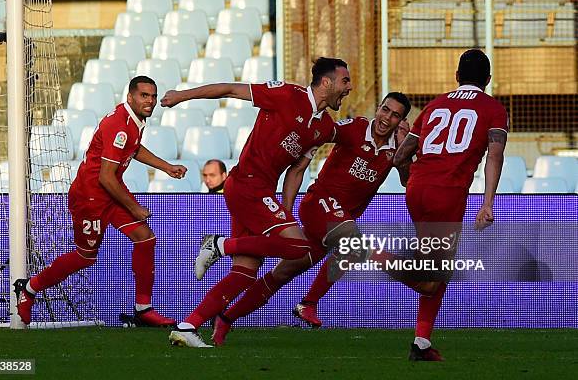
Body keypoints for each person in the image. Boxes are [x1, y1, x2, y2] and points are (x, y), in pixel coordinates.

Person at [160, 57, 352, 347]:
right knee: (298, 247)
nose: (349, 88)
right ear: (327, 82)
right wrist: (181, 96)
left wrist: (285, 213)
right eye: (345, 81)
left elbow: (296, 170)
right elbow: (229, 89)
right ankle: (219, 245)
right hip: (247, 184)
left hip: (262, 192)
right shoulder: (287, 95)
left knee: (244, 273)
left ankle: (188, 326)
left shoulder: (323, 127)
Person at [210, 92, 412, 345]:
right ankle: (305, 301)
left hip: (338, 221)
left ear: (401, 120)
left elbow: (407, 180)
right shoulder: (355, 128)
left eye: (395, 115)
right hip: (319, 204)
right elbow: (321, 133)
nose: (387, 118)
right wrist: (302, 158)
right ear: (378, 109)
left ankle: (225, 320)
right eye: (385, 110)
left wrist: (405, 151)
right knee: (353, 246)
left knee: (281, 275)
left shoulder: (397, 146)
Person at [14, 76, 187, 327]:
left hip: (110, 192)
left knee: (146, 239)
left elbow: (134, 148)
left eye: (152, 96)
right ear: (130, 97)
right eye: (144, 96)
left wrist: (166, 166)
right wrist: (134, 207)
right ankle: (29, 288)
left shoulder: (132, 121)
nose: (150, 101)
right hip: (91, 197)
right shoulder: (120, 124)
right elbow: (106, 177)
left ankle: (143, 309)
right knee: (85, 257)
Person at [393, 49, 507, 361]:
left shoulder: (433, 105)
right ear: (487, 80)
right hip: (448, 192)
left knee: (438, 270)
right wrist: (488, 203)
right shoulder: (493, 109)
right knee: (431, 279)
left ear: (456, 77)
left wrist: (409, 179)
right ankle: (372, 255)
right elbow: (494, 154)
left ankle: (422, 343)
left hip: (418, 190)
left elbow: (399, 156)